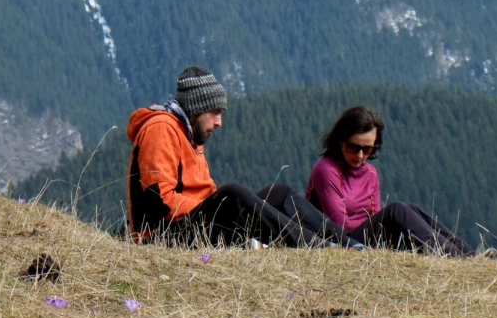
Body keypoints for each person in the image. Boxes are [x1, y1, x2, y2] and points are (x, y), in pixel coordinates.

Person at [127, 65, 348, 248]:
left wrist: (214, 206)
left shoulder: (189, 134)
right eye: (214, 113)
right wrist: (213, 205)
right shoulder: (161, 129)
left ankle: (347, 242)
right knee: (231, 195)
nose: (218, 123)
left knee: (280, 194)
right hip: (162, 238)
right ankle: (315, 246)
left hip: (194, 224)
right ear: (195, 109)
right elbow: (158, 202)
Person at [306, 105, 476, 257]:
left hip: (365, 239)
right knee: (396, 211)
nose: (359, 155)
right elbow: (340, 225)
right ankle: (453, 256)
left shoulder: (370, 173)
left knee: (412, 209)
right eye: (353, 147)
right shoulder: (326, 170)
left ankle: (468, 254)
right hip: (339, 241)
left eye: (367, 149)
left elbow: (375, 217)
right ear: (340, 142)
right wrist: (382, 225)